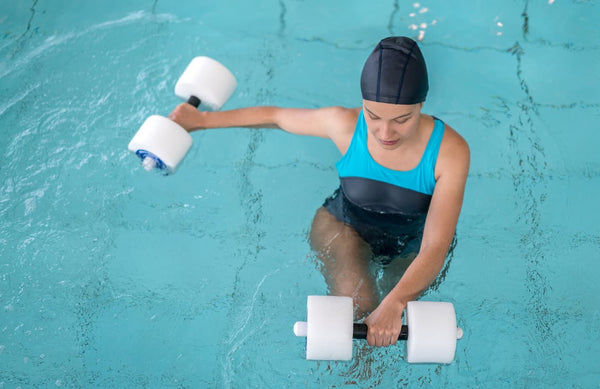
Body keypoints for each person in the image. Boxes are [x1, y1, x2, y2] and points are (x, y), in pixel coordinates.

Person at [169, 36, 469, 349]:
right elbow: (277, 117)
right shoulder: (345, 124)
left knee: (402, 310)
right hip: (345, 226)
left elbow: (435, 245)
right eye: (373, 116)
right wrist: (202, 121)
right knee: (360, 304)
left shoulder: (450, 151)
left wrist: (395, 304)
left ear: (421, 105)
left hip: (413, 242)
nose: (384, 133)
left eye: (401, 120)